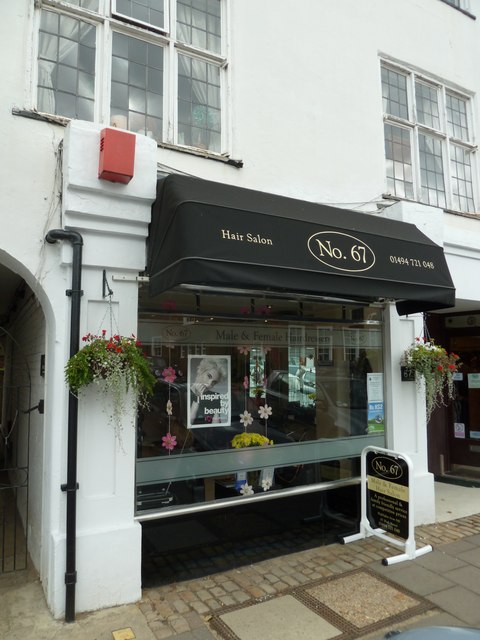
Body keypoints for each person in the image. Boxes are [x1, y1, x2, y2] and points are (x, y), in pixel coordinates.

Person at [189, 357, 228, 425]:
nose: (209, 384)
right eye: (209, 376)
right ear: (201, 371)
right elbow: (188, 423)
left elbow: (216, 425)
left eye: (214, 382)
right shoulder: (185, 392)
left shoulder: (215, 397)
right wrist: (197, 398)